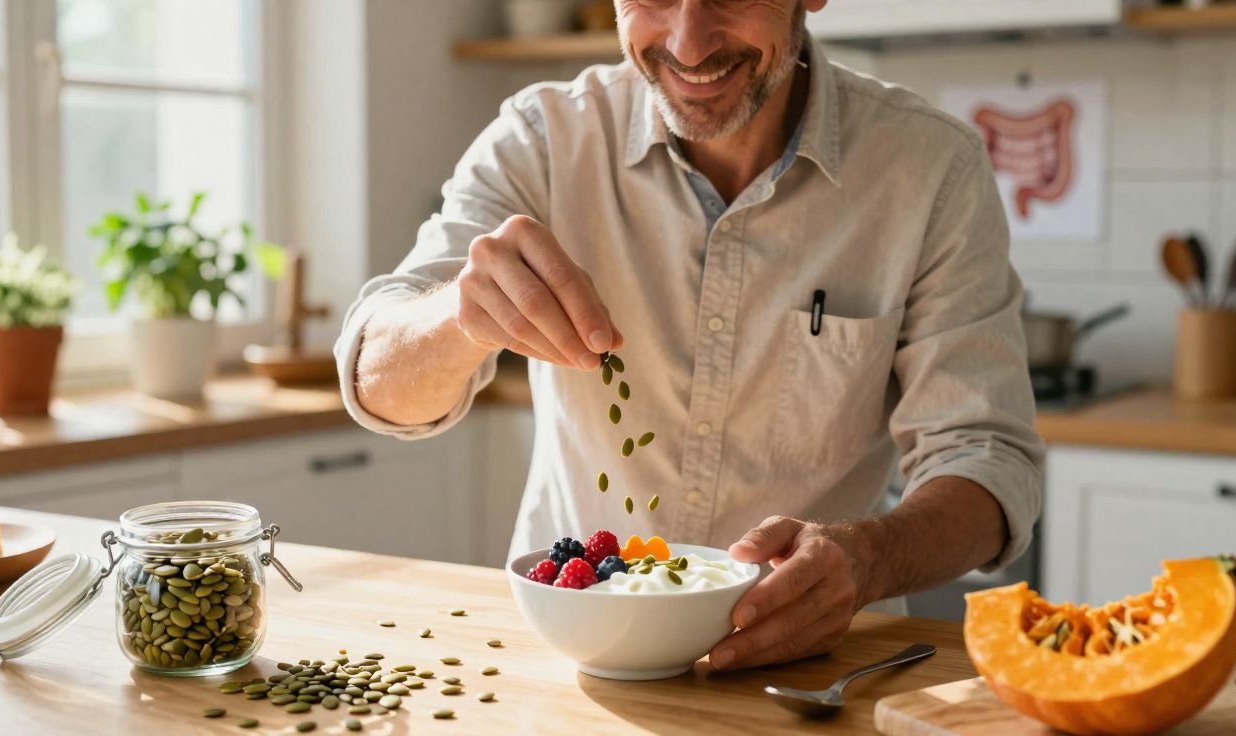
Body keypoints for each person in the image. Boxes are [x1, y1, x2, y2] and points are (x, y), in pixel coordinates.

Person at [335, 0, 1044, 671]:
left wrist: (869, 559)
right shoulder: (543, 140)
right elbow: (376, 380)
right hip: (573, 663)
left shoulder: (930, 168)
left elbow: (990, 461)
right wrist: (458, 317)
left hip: (812, 672)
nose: (687, 42)